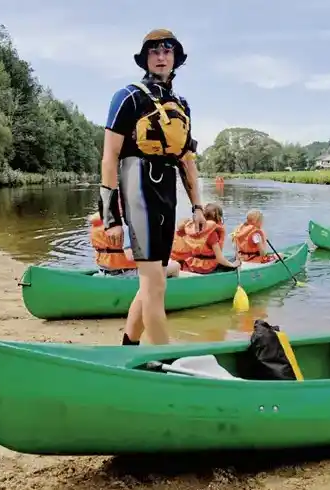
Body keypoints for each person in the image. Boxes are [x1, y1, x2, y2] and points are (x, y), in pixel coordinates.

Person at [100, 29, 203, 346]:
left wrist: (198, 206)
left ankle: (128, 347)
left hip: (166, 192)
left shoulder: (181, 105)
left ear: (175, 59)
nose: (161, 56)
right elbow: (109, 156)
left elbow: (187, 160)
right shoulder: (128, 97)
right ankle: (164, 357)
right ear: (146, 58)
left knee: (154, 282)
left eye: (167, 51)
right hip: (137, 186)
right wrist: (111, 217)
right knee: (154, 285)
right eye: (155, 51)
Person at [88, 213, 180, 278]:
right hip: (126, 274)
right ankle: (164, 293)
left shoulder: (102, 222)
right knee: (175, 266)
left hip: (104, 272)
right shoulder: (126, 226)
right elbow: (130, 256)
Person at [181, 203, 241, 274]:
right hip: (206, 267)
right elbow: (219, 259)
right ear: (219, 218)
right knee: (234, 260)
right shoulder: (212, 234)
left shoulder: (195, 230)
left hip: (192, 263)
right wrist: (233, 265)